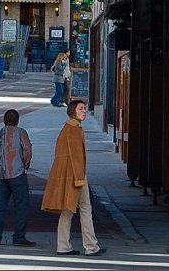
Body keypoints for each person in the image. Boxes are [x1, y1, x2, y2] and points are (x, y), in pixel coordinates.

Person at [41, 100, 106, 257]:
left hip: (67, 173)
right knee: (85, 208)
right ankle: (91, 246)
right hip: (76, 174)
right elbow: (77, 156)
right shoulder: (74, 129)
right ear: (72, 111)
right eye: (81, 109)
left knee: (68, 209)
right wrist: (79, 178)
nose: (84, 111)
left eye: (84, 108)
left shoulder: (68, 128)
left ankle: (63, 246)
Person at [0, 109, 36, 247]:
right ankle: (19, 237)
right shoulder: (21, 132)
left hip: (0, 176)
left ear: (3, 120)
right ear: (17, 121)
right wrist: (25, 163)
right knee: (21, 206)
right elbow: (28, 149)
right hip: (17, 174)